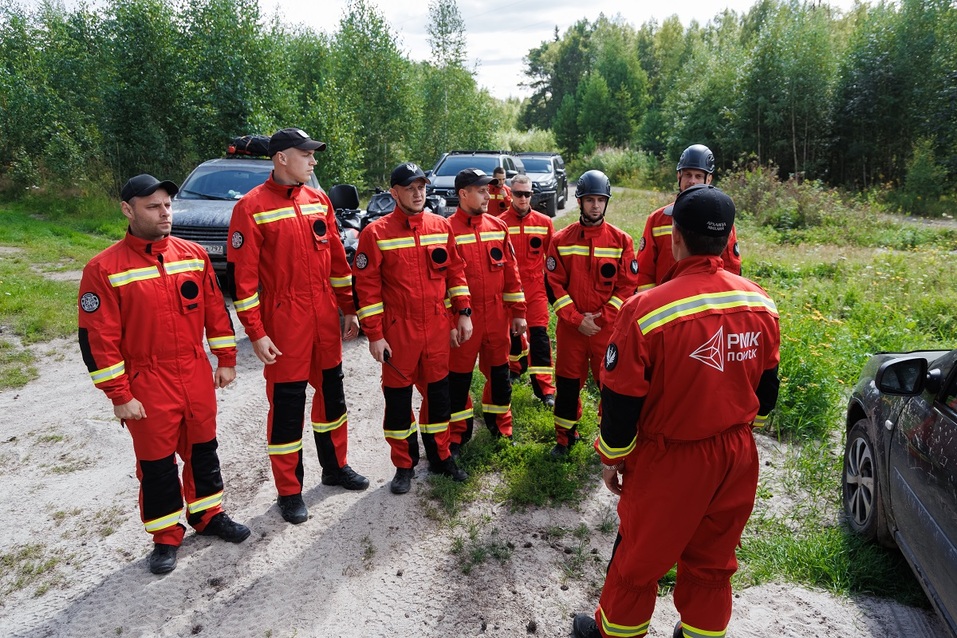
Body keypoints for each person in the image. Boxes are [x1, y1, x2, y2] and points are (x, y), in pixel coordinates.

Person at [572, 184, 780, 638]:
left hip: (671, 461)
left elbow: (621, 402)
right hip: (737, 457)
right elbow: (767, 396)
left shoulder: (645, 311)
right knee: (712, 563)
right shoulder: (760, 302)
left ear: (675, 239)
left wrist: (612, 459)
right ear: (728, 240)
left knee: (638, 564)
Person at [78, 174, 250, 575]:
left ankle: (209, 516)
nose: (164, 213)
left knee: (203, 451)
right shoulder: (103, 269)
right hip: (146, 381)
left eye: (167, 205)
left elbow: (214, 309)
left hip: (193, 372)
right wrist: (120, 394)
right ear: (128, 209)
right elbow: (97, 340)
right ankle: (166, 536)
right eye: (153, 207)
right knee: (156, 466)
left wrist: (225, 358)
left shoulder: (192, 254)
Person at [228, 128, 368, 525]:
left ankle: (335, 468)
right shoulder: (251, 207)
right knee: (287, 410)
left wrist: (349, 309)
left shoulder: (318, 199)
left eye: (313, 154)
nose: (313, 160)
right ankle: (289, 491)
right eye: (306, 154)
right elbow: (245, 281)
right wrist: (256, 331)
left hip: (324, 317)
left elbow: (339, 263)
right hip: (284, 321)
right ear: (281, 158)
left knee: (333, 400)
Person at [352, 162, 471, 494]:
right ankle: (404, 465)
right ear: (394, 193)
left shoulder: (440, 226)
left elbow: (455, 273)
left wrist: (463, 312)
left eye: (422, 187)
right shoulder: (375, 234)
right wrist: (375, 334)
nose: (418, 194)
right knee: (399, 404)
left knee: (439, 400)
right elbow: (367, 289)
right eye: (410, 188)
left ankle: (441, 458)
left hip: (436, 327)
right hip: (398, 331)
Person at [545, 170, 638, 456]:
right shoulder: (561, 239)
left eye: (600, 200)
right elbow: (554, 285)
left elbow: (627, 287)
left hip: (606, 331)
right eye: (589, 200)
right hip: (572, 331)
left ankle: (609, 440)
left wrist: (601, 319)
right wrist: (576, 319)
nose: (595, 206)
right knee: (568, 384)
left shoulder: (621, 241)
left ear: (606, 203)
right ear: (580, 202)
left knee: (610, 387)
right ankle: (564, 438)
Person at [447, 168, 527, 456]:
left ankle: (501, 428)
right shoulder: (446, 230)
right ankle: (457, 436)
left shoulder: (497, 227)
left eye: (488, 189)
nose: (488, 194)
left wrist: (518, 312)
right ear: (463, 194)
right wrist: (451, 322)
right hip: (464, 319)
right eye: (481, 190)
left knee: (500, 375)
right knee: (458, 379)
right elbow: (443, 284)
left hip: (496, 315)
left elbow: (511, 273)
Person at [636, 144, 741, 291]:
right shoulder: (657, 220)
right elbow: (644, 273)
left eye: (698, 176)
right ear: (678, 176)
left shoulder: (721, 220)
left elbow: (731, 270)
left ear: (709, 179)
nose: (692, 181)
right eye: (687, 174)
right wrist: (651, 304)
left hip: (704, 303)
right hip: (665, 305)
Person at [498, 173, 556, 407]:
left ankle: (545, 389)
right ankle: (514, 369)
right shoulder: (499, 223)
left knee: (540, 338)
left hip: (535, 291)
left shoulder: (544, 222)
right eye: (519, 193)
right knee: (510, 336)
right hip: (509, 291)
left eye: (528, 194)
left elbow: (552, 262)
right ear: (510, 193)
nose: (523, 198)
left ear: (532, 194)